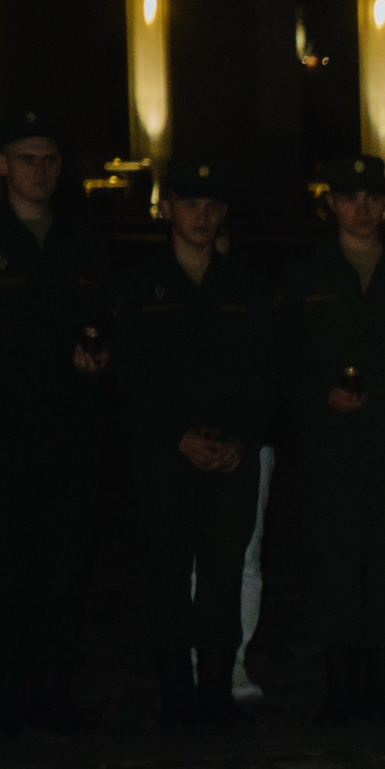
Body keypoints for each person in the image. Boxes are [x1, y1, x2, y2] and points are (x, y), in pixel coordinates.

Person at [279, 154, 385, 722]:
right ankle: (340, 687)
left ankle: (381, 685)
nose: (362, 209)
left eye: (371, 199)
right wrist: (317, 395)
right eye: (349, 198)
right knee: (335, 564)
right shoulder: (306, 278)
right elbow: (285, 361)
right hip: (330, 446)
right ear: (332, 205)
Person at [111, 158, 278, 728]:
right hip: (165, 457)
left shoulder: (247, 290)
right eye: (190, 205)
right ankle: (174, 694)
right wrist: (173, 436)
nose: (201, 217)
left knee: (223, 574)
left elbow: (265, 375)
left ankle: (215, 689)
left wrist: (241, 439)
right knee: (166, 575)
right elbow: (130, 377)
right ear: (167, 210)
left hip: (230, 457)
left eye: (211, 207)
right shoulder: (139, 288)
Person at [0, 109, 110, 735]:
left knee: (64, 566)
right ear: (2, 162)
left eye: (49, 159)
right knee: (5, 567)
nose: (39, 171)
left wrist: (100, 354)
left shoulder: (83, 242)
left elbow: (109, 323)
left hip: (70, 436)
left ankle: (56, 688)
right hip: (2, 437)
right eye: (26, 157)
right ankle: (7, 692)